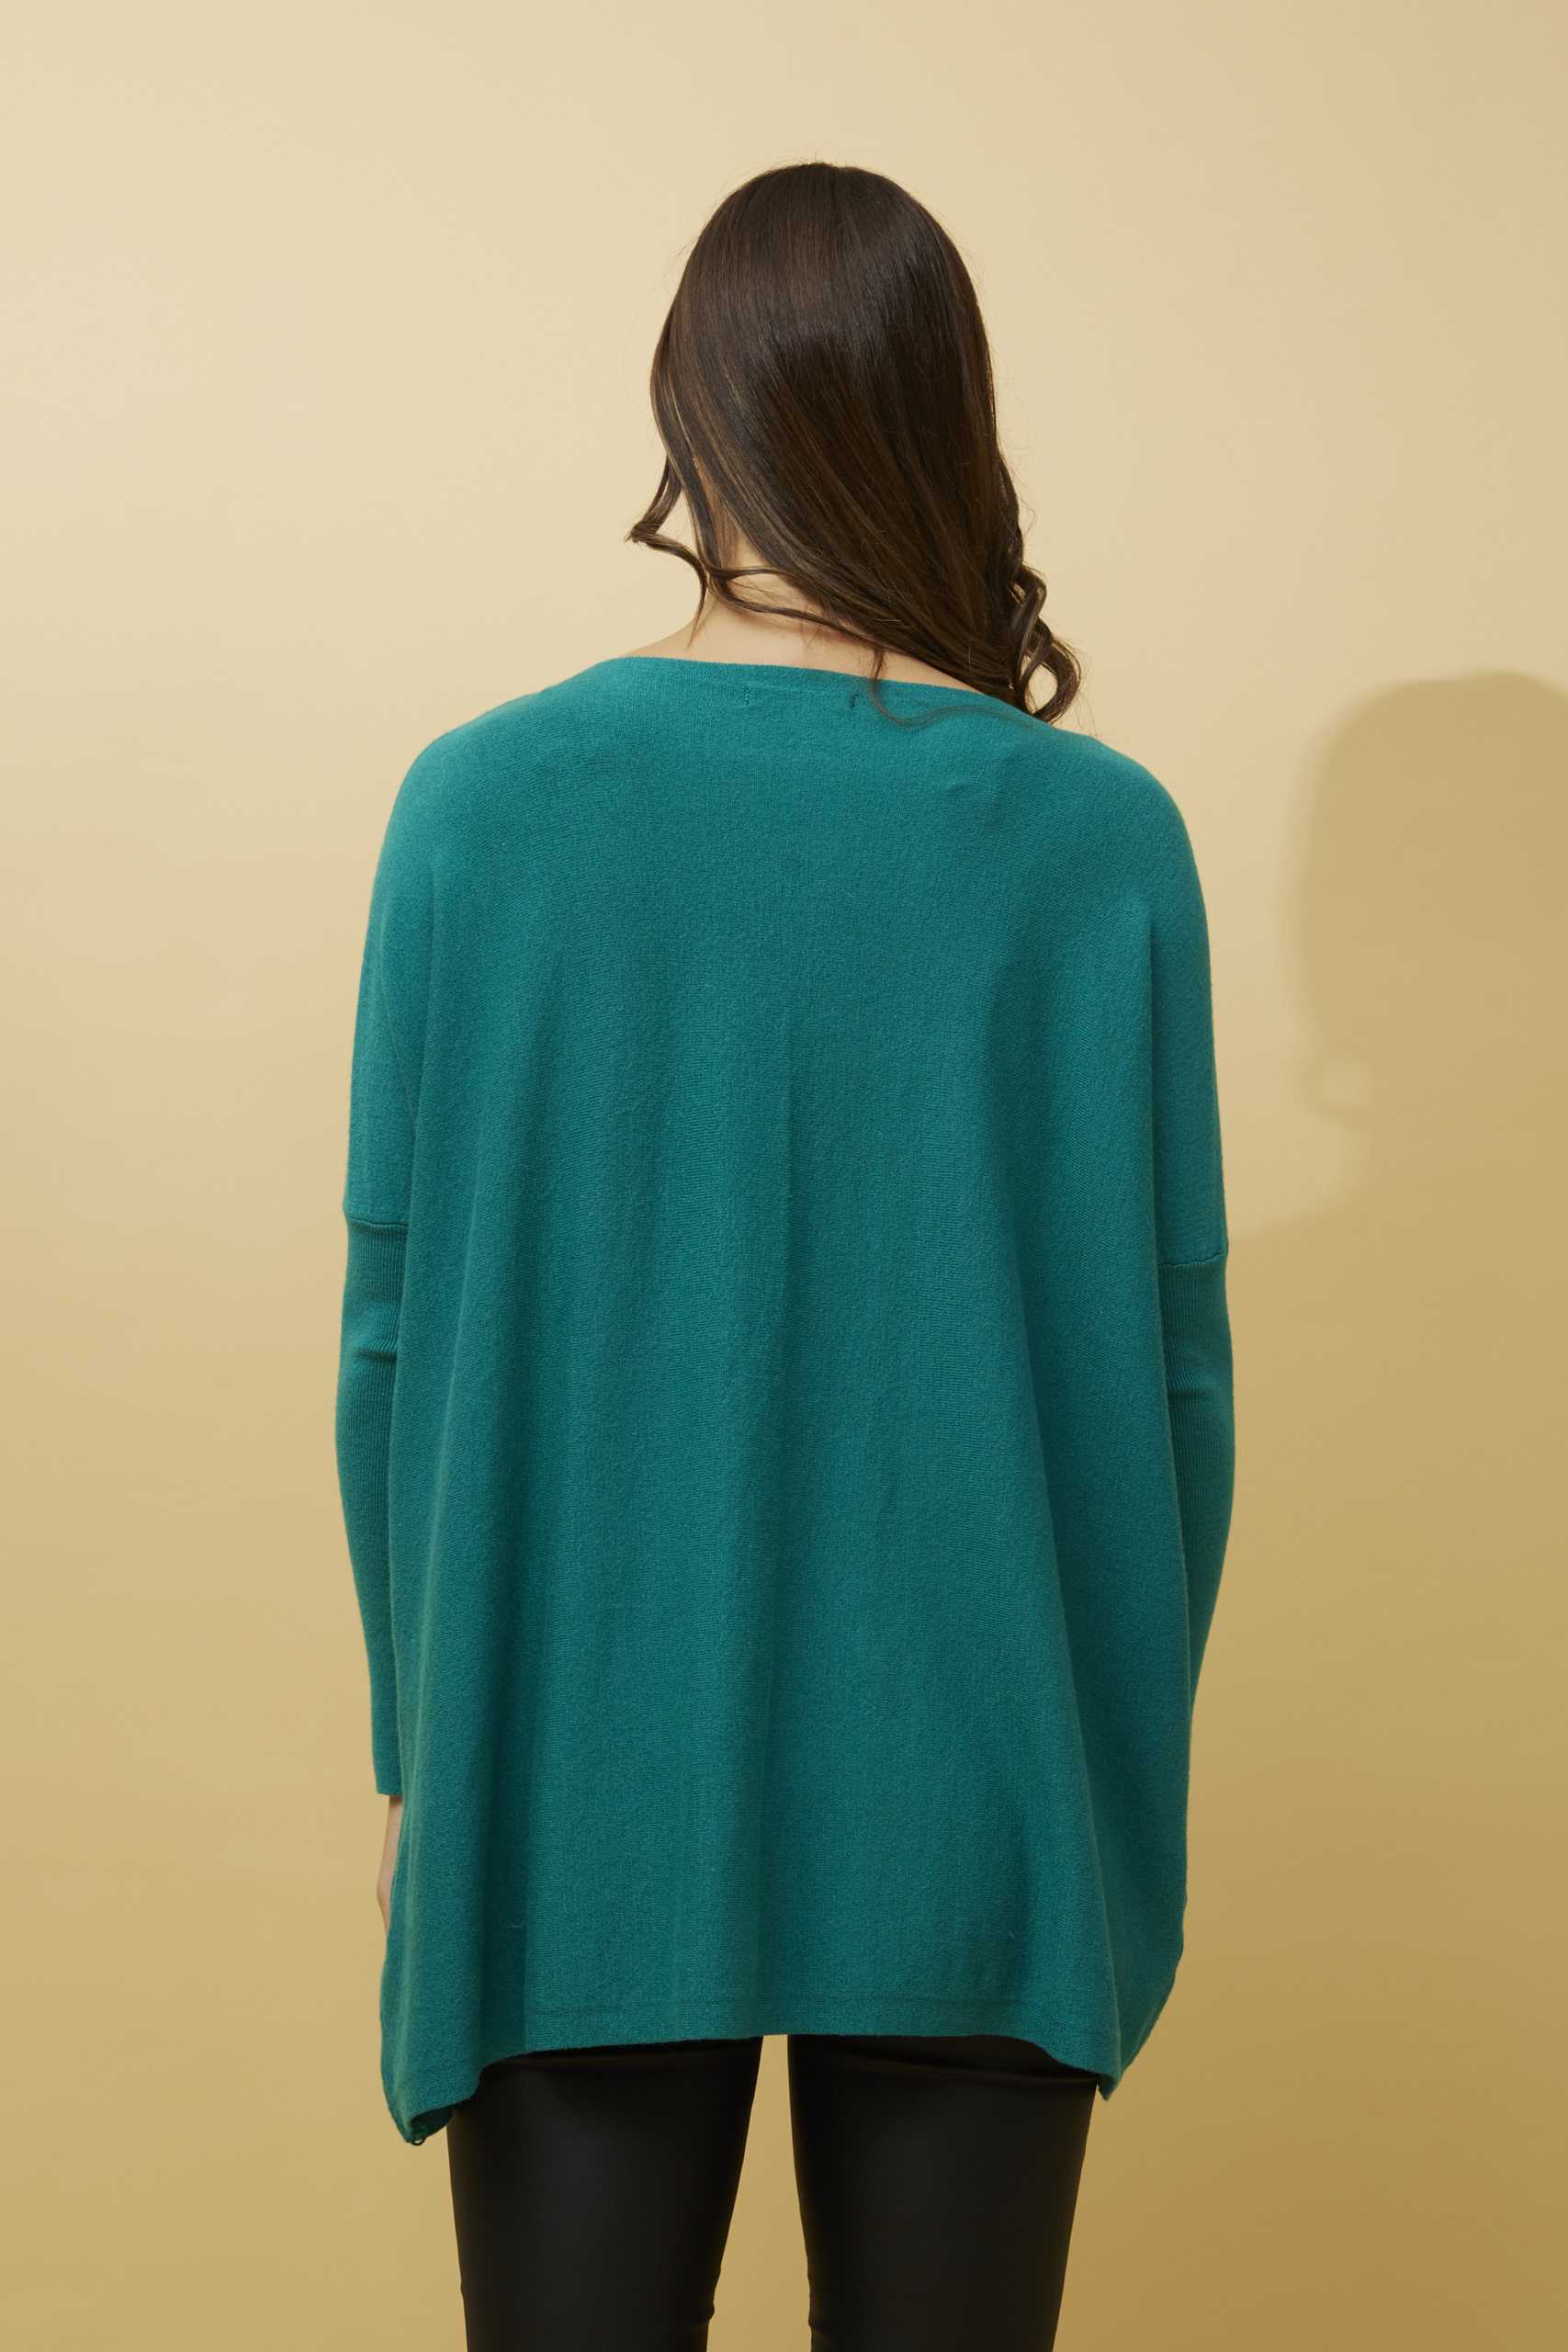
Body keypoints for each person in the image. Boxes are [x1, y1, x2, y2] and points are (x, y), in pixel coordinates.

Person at [336, 161, 1234, 2351]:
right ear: (946, 417)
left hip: (565, 1784)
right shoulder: (1097, 836)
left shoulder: (479, 803)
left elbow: (391, 1343)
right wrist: (1100, 1797)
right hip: (981, 1800)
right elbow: (1173, 1397)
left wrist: (424, 1750)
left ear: (685, 411)